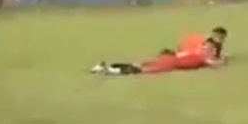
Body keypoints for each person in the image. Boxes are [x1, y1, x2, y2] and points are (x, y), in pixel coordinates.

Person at [91, 27, 228, 76]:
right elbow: (211, 62)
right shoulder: (206, 51)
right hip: (173, 61)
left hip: (172, 56)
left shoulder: (202, 46)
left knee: (140, 65)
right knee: (142, 70)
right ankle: (108, 70)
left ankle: (107, 67)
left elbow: (191, 48)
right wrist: (222, 61)